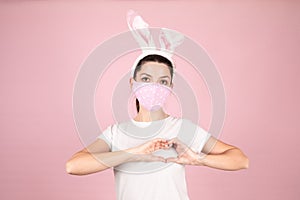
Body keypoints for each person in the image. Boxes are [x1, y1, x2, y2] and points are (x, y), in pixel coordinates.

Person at [66, 10, 249, 200]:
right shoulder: (117, 133)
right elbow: (73, 166)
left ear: (170, 86)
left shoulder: (182, 128)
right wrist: (134, 153)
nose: (154, 87)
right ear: (132, 82)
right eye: (146, 79)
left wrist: (198, 159)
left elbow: (240, 160)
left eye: (162, 81)